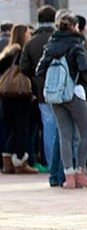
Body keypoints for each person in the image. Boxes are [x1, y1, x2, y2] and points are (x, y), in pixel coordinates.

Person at [35, 11, 87, 189]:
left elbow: (39, 70)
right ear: (74, 26)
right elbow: (84, 69)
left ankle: (69, 175)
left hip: (55, 95)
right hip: (74, 93)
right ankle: (81, 172)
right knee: (85, 132)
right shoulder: (77, 44)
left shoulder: (51, 45)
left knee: (64, 135)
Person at [20, 5, 61, 185]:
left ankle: (52, 164)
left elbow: (23, 67)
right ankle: (67, 164)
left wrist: (35, 80)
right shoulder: (59, 37)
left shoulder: (32, 42)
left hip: (42, 90)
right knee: (65, 126)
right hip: (62, 89)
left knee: (49, 126)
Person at [1, 25, 37, 174]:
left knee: (12, 130)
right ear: (24, 35)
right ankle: (20, 162)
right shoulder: (23, 52)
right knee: (21, 129)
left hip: (6, 95)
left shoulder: (7, 53)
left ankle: (7, 162)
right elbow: (28, 72)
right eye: (28, 34)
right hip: (21, 95)